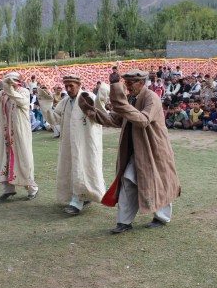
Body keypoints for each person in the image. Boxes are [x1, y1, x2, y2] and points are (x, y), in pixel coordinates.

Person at [79, 69, 181, 234]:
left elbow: (143, 120)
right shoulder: (130, 99)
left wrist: (122, 103)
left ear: (141, 82)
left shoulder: (151, 98)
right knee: (128, 181)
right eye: (125, 83)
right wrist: (91, 111)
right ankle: (124, 222)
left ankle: (162, 217)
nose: (127, 86)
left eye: (130, 83)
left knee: (158, 182)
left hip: (153, 149)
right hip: (135, 150)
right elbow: (116, 119)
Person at [38, 75, 107, 216]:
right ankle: (81, 196)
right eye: (66, 86)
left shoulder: (88, 98)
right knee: (73, 168)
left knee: (85, 168)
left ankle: (78, 200)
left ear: (79, 84)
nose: (68, 89)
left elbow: (101, 114)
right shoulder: (64, 102)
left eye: (71, 86)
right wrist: (45, 103)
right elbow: (54, 118)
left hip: (86, 142)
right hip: (69, 143)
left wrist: (103, 95)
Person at [0, 67, 39, 200]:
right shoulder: (3, 94)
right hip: (6, 133)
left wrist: (9, 89)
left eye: (8, 82)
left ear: (16, 82)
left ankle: (32, 189)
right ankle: (8, 189)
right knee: (4, 158)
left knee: (23, 159)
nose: (5, 85)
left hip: (20, 133)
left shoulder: (24, 92)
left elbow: (21, 101)